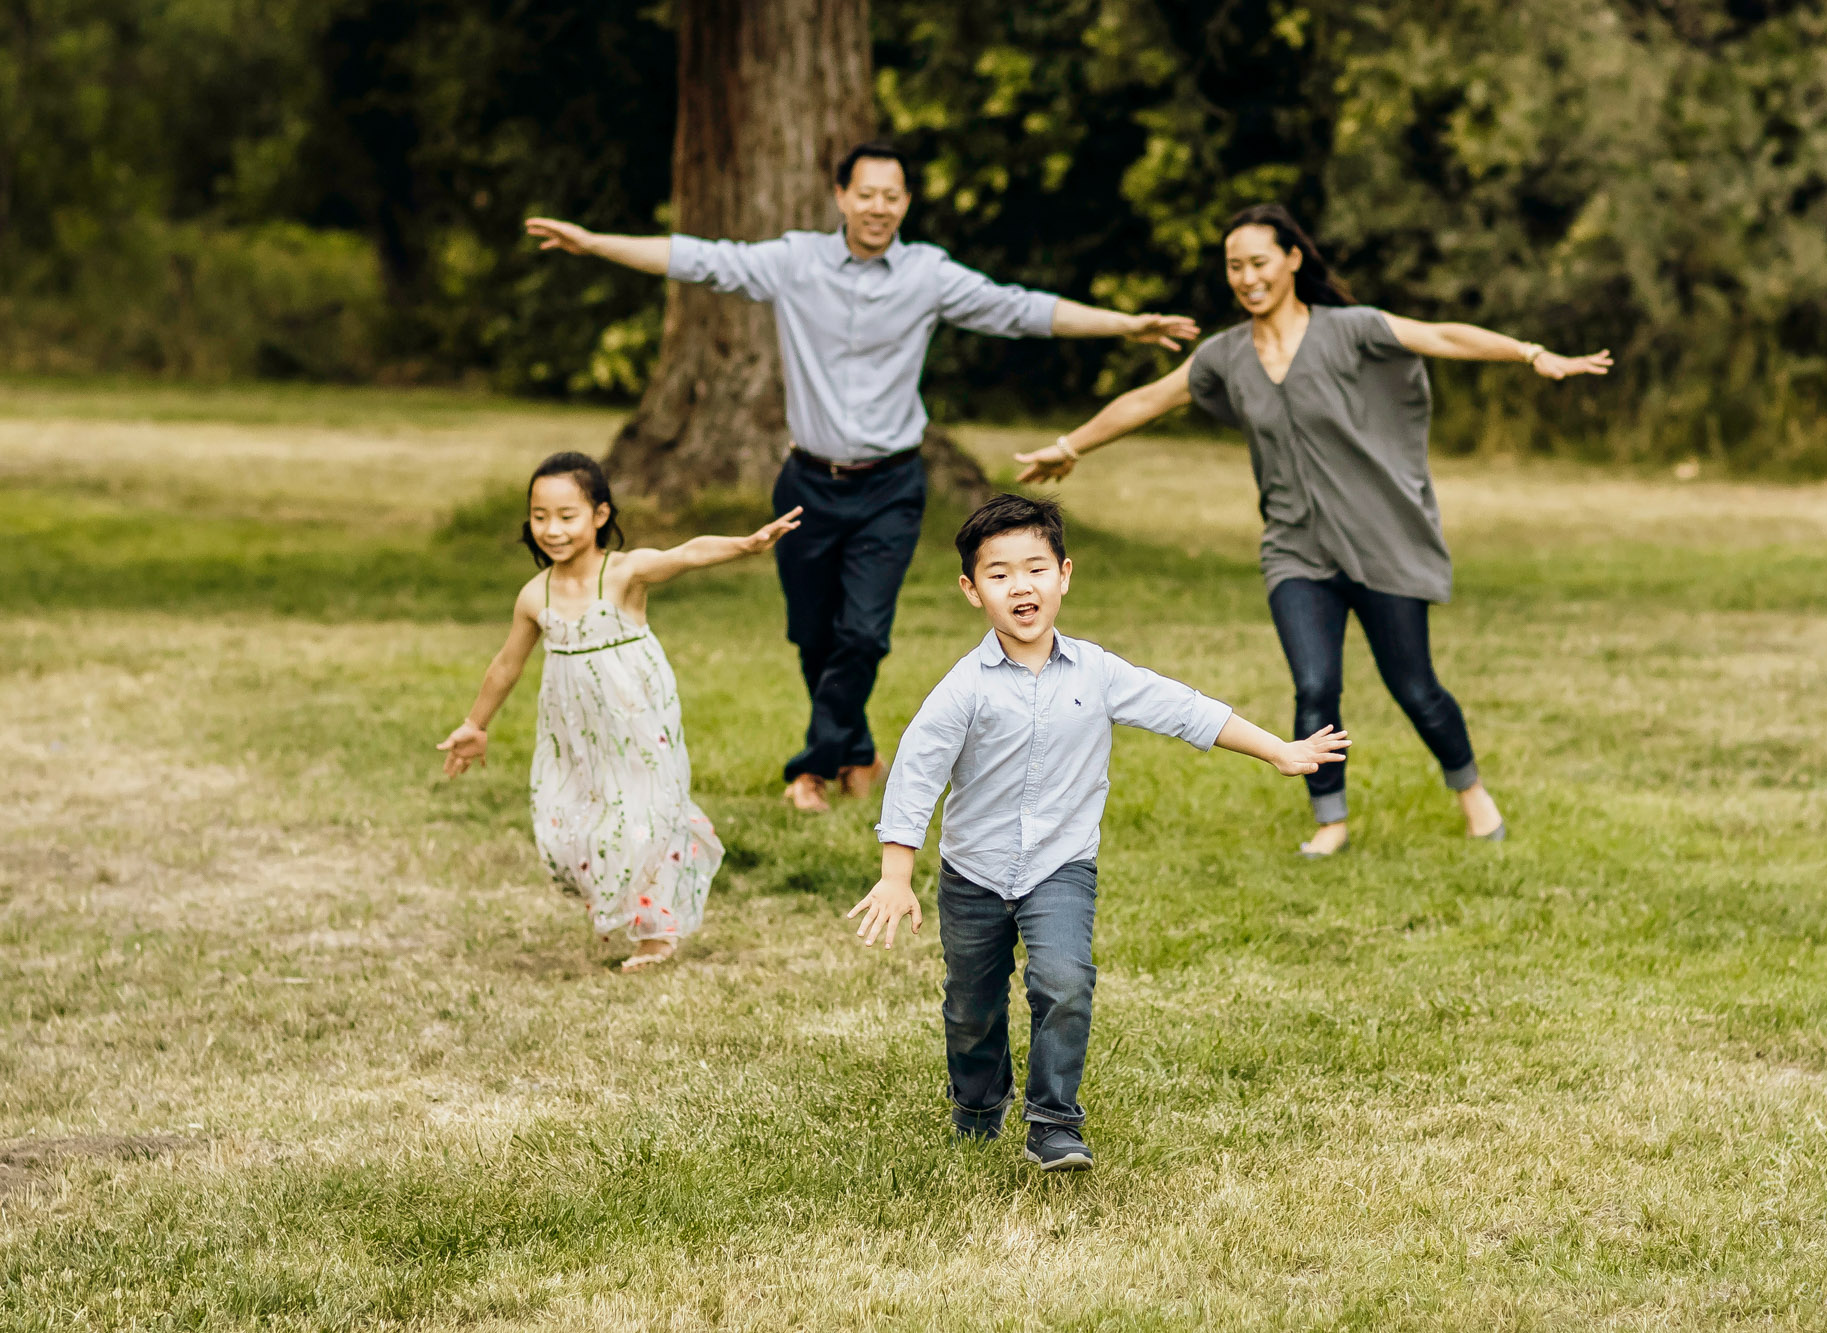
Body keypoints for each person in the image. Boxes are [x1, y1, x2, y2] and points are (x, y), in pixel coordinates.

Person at [525, 141, 1201, 815]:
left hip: (891, 486)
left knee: (864, 633)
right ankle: (859, 752)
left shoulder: (928, 274)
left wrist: (1126, 324)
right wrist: (593, 243)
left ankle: (812, 767)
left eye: (893, 196)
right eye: (867, 193)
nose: (879, 207)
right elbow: (699, 259)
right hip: (806, 484)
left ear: (905, 203)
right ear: (842, 196)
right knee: (814, 633)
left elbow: (1019, 309)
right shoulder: (794, 261)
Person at [1016, 203, 1613, 857]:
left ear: (1293, 260)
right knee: (1315, 685)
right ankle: (1330, 818)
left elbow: (1441, 337)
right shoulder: (1226, 356)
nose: (1247, 278)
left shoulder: (1350, 330)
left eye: (1259, 263)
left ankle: (1472, 792)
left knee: (1414, 686)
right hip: (1296, 548)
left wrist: (1530, 354)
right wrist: (1070, 445)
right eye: (1234, 267)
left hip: (1380, 539)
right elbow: (1148, 400)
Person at [846, 495, 1348, 1170]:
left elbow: (1183, 708)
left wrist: (1277, 750)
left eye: (1035, 568)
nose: (1021, 585)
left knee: (1065, 980)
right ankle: (976, 1101)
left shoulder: (1098, 673)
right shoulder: (962, 689)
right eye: (999, 574)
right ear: (972, 590)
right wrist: (896, 872)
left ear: (1064, 575)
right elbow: (914, 774)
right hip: (974, 872)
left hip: (1061, 866)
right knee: (972, 1004)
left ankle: (1053, 1120)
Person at [435, 451, 801, 972]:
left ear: (600, 515)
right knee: (566, 832)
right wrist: (475, 724)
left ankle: (654, 933)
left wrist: (746, 545)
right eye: (540, 516)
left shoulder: (623, 573)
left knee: (642, 821)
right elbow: (506, 665)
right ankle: (621, 901)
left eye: (567, 516)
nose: (552, 529)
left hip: (637, 722)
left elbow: (687, 553)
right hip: (572, 734)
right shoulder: (534, 595)